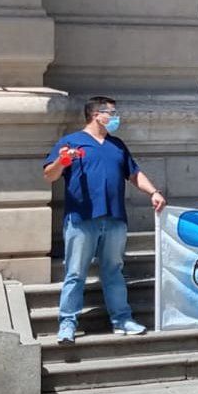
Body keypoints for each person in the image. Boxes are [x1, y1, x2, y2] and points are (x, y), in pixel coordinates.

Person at [42, 97, 168, 345]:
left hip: (114, 218)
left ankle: (122, 319)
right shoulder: (71, 143)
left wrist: (153, 191)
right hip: (81, 219)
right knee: (75, 273)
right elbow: (49, 175)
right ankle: (67, 323)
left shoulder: (117, 145)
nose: (115, 117)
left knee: (113, 271)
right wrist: (61, 161)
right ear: (96, 115)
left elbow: (134, 173)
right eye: (112, 113)